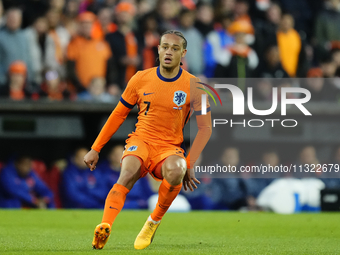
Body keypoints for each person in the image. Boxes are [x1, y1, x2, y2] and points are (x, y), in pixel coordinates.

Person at [84, 30, 212, 250]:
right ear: (158, 49)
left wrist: (190, 164)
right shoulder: (141, 78)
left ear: (183, 53)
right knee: (127, 173)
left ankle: (153, 222)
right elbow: (118, 114)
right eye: (164, 46)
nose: (168, 52)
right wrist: (95, 148)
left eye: (174, 48)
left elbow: (205, 128)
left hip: (169, 147)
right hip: (141, 140)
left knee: (177, 169)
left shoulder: (195, 85)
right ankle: (105, 225)